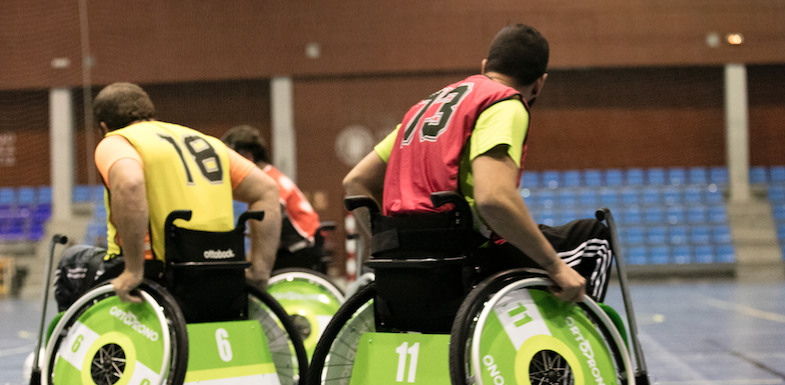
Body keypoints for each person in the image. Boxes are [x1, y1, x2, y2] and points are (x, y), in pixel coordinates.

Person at [343, 24, 611, 304]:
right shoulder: (504, 103)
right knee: (594, 236)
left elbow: (355, 182)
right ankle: (572, 343)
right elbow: (493, 199)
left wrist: (386, 247)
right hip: (463, 260)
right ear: (539, 83)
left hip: (406, 260)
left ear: (485, 66)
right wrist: (555, 267)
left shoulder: (426, 107)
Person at [89, 83, 281, 303]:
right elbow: (267, 189)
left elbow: (130, 183)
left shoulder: (117, 141)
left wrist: (133, 270)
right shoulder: (207, 142)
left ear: (103, 127)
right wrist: (259, 272)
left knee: (73, 263)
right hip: (222, 269)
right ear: (150, 115)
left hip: (160, 270)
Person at [221, 125, 323, 271]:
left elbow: (267, 236)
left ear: (248, 156)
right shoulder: (270, 176)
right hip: (299, 246)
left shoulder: (267, 185)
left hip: (299, 251)